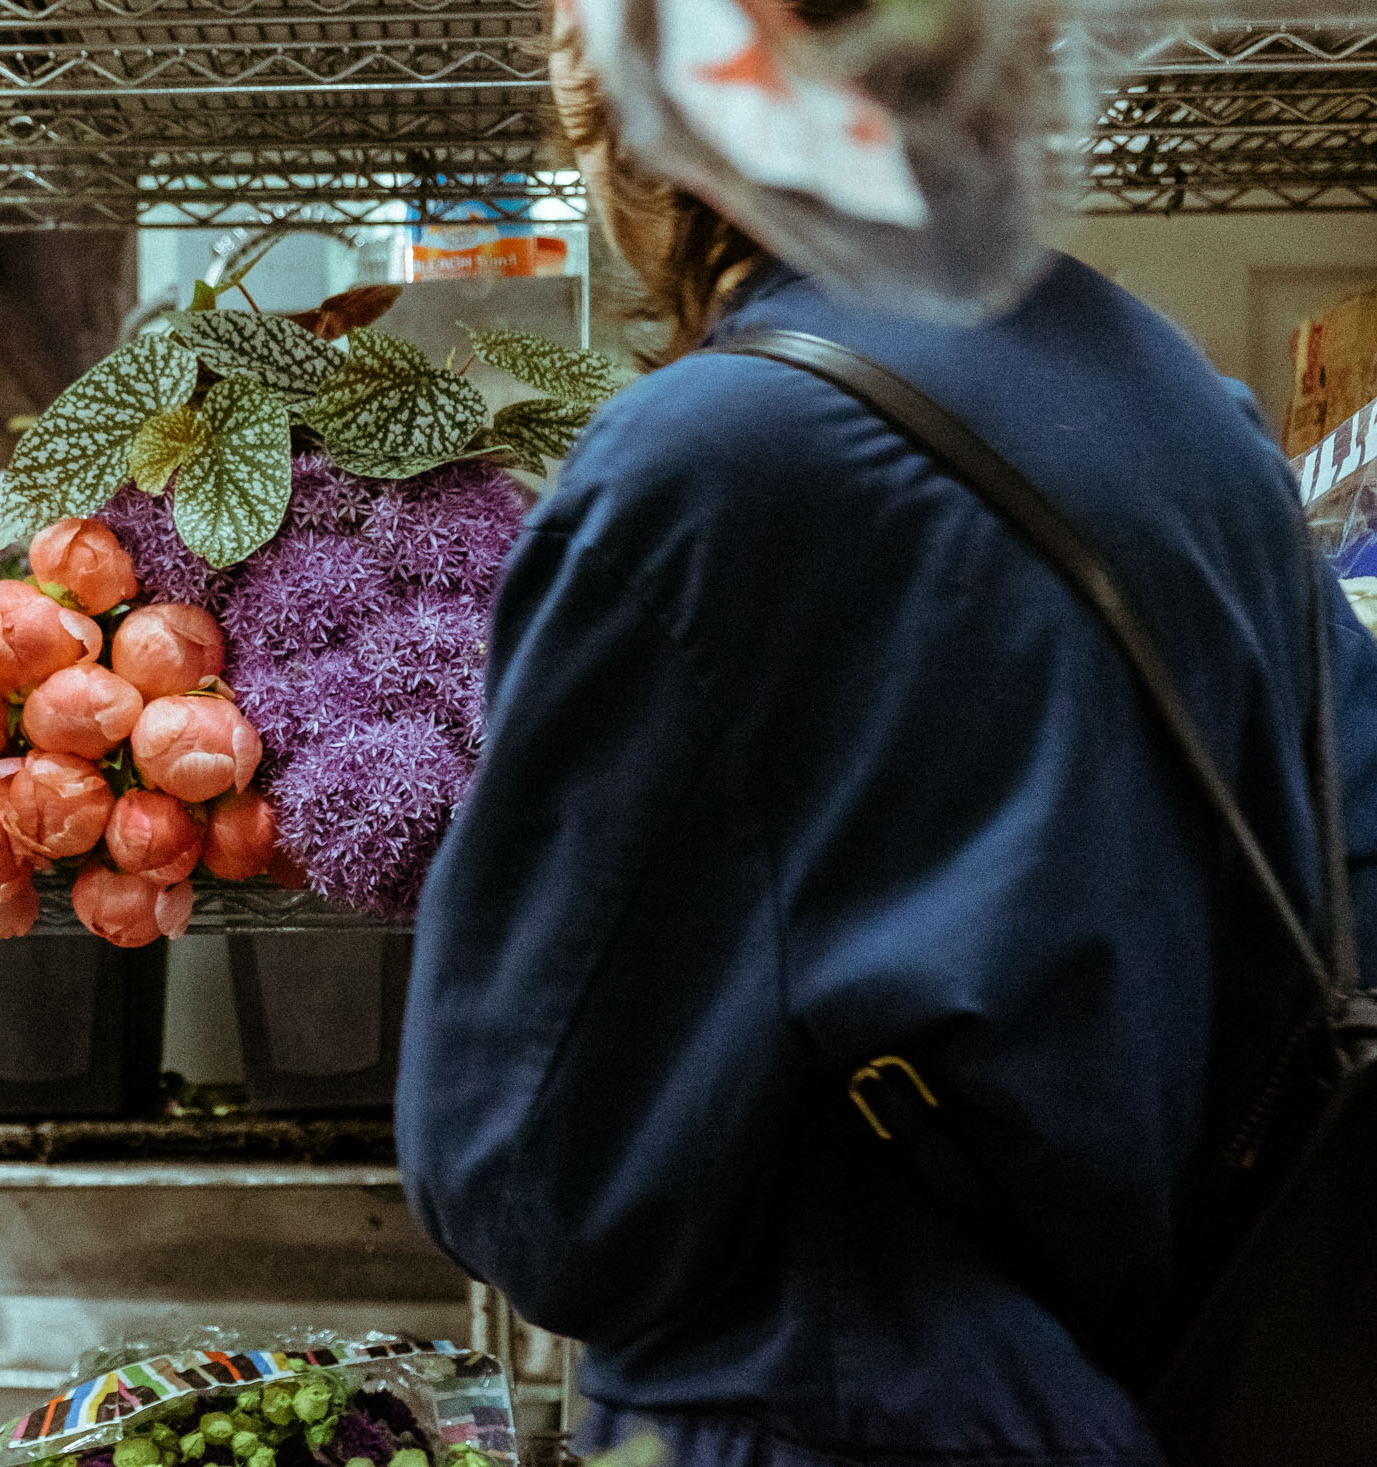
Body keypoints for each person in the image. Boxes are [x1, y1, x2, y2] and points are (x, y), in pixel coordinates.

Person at [392, 5, 1377, 1466]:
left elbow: (537, 1186)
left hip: (838, 1415)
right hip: (1185, 1395)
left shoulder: (710, 472)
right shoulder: (1184, 409)